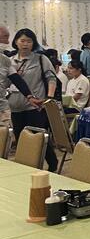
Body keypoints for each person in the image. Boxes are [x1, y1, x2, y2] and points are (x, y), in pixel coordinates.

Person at [8, 29, 58, 169]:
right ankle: (28, 167)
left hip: (35, 106)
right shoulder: (10, 61)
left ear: (33, 43)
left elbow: (51, 78)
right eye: (22, 41)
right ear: (16, 42)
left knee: (39, 137)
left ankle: (52, 163)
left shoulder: (41, 59)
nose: (25, 44)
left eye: (29, 41)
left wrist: (49, 98)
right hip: (15, 106)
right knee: (21, 139)